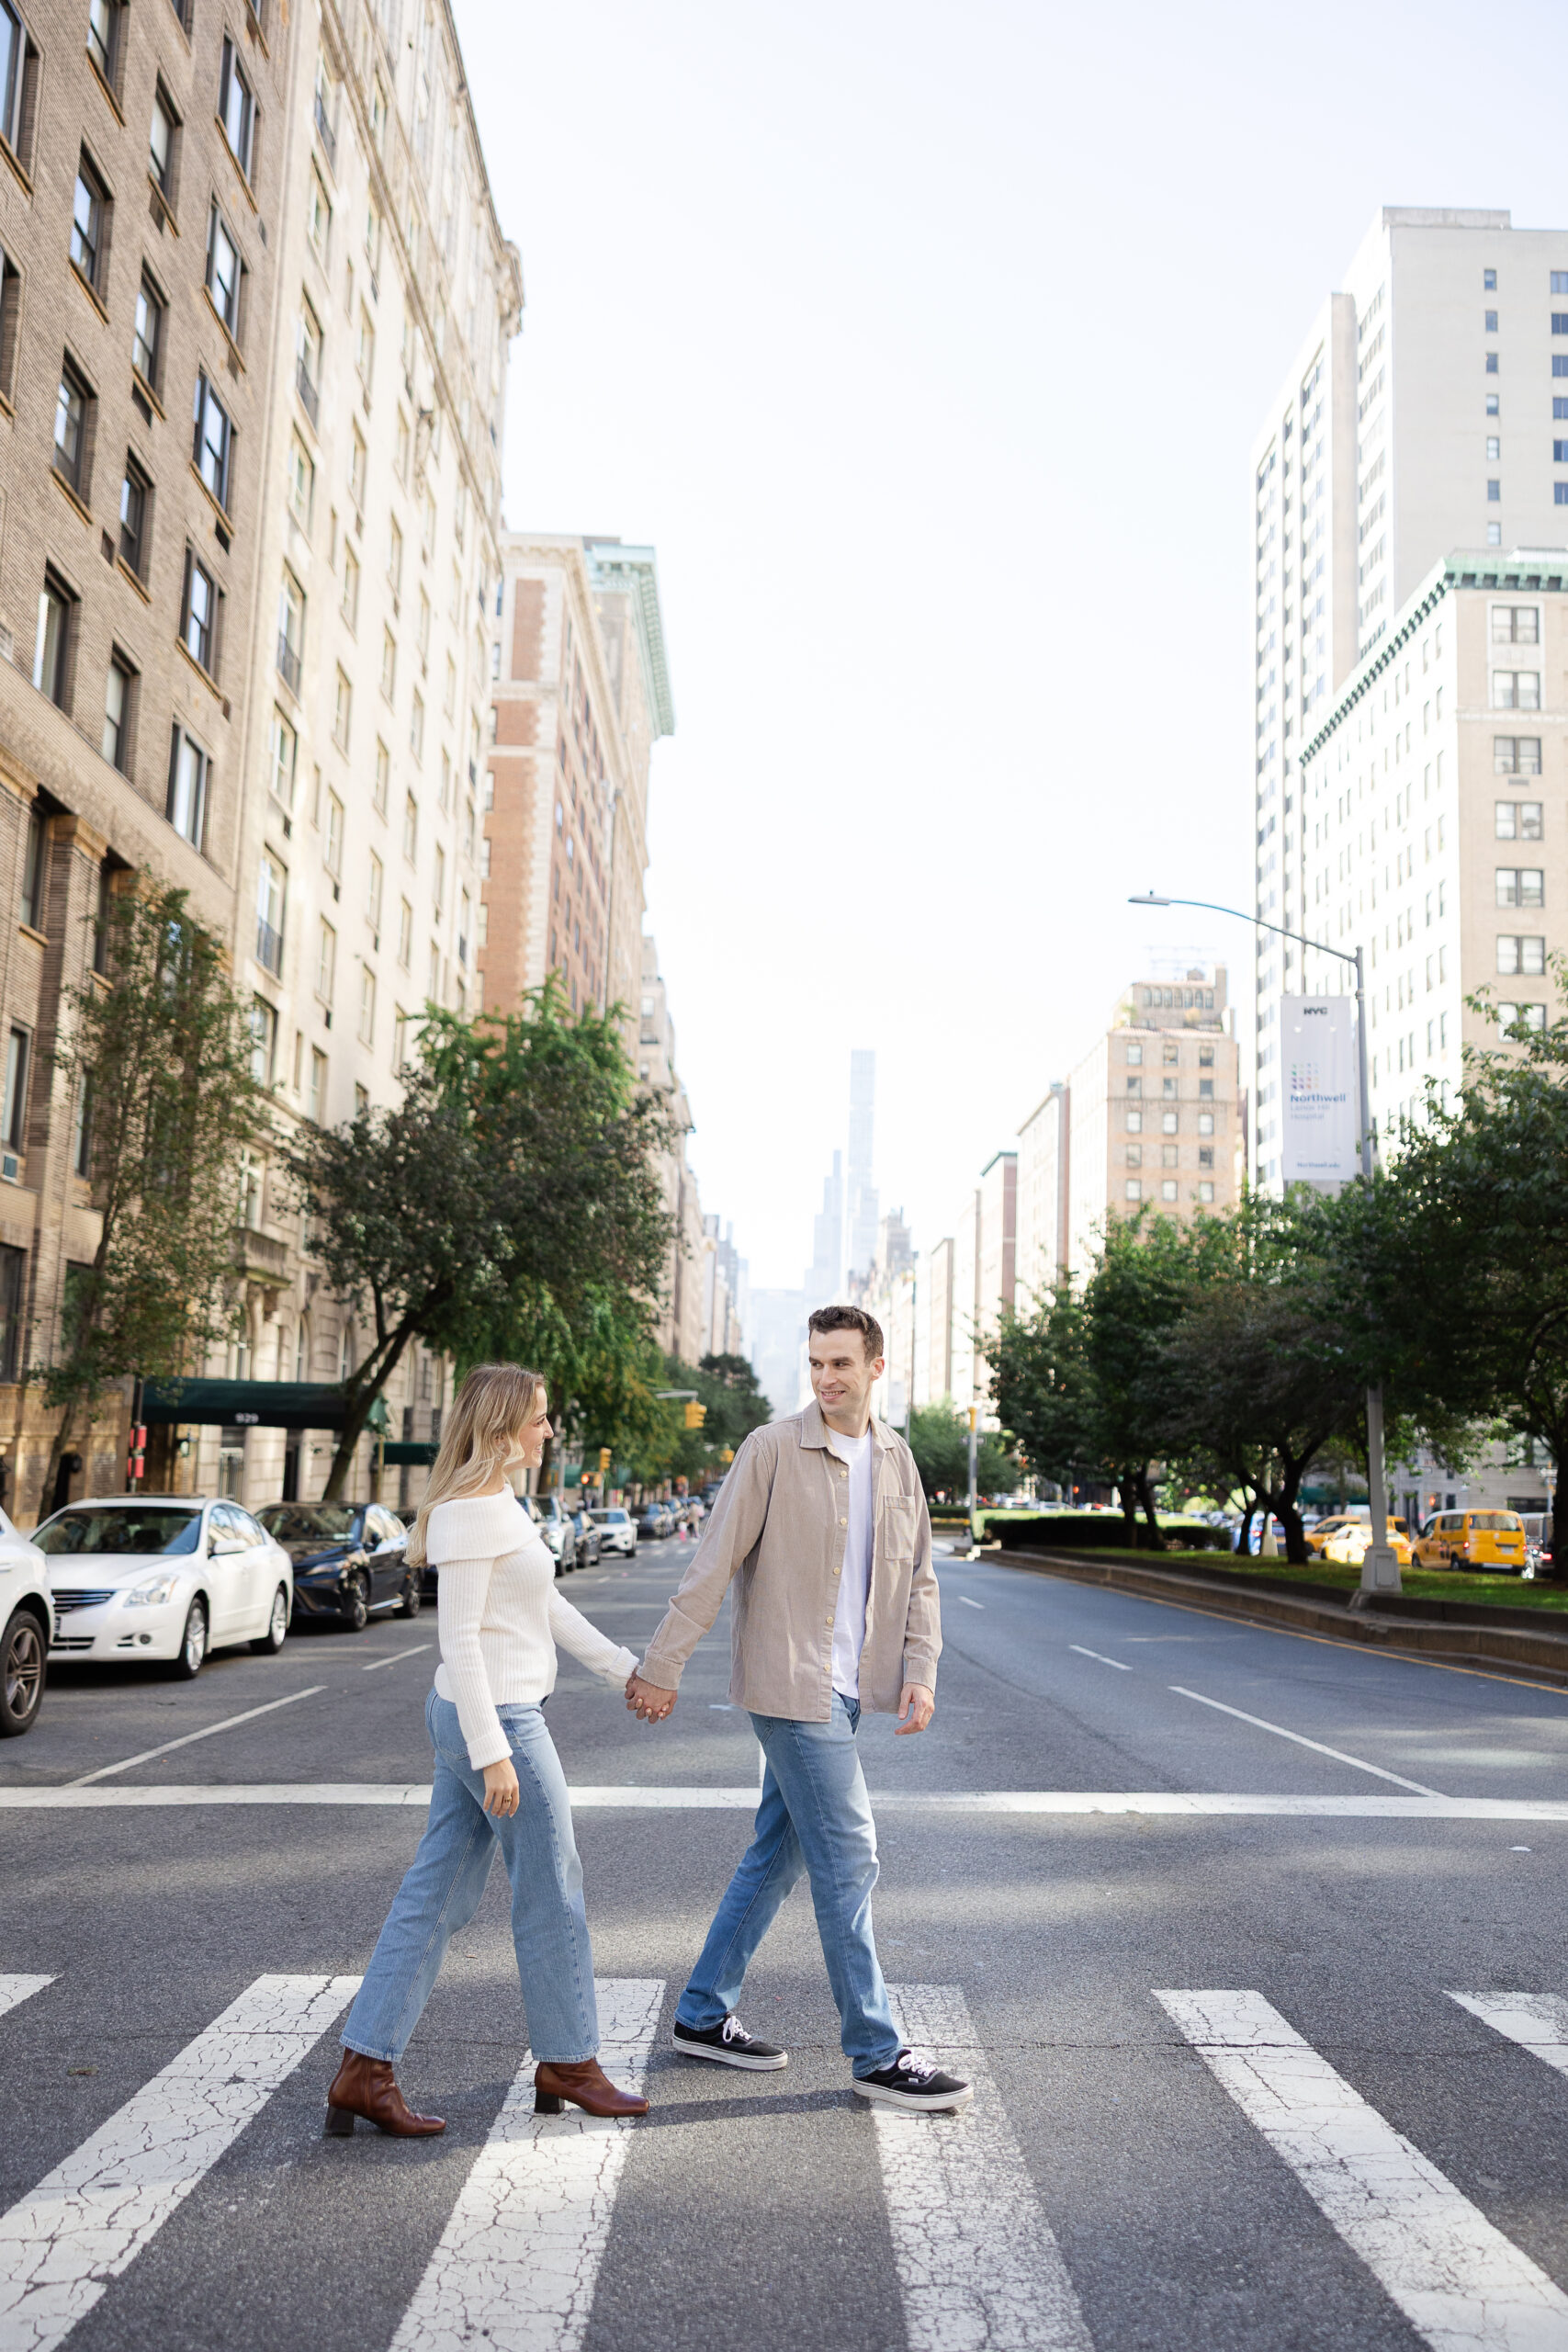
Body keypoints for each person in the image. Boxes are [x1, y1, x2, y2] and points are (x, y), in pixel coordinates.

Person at [626, 1305, 973, 2112]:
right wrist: (661, 1665)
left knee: (776, 1853)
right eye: (815, 1363)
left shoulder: (896, 1461)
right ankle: (876, 2052)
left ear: (874, 1368)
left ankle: (701, 2014)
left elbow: (918, 1576)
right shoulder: (772, 1450)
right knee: (849, 1854)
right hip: (789, 1685)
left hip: (851, 1689)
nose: (825, 1379)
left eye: (841, 1364)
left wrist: (920, 1669)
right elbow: (711, 1565)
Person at [325, 1363, 649, 2137]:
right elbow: (459, 1641)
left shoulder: (500, 1504)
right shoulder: (473, 1510)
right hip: (496, 1720)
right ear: (502, 1428)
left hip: (490, 1715)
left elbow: (547, 1603)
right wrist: (492, 1750)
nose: (548, 1432)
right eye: (538, 1420)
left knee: (436, 1894)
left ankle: (363, 2069)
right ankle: (569, 2062)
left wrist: (626, 1672)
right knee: (553, 1889)